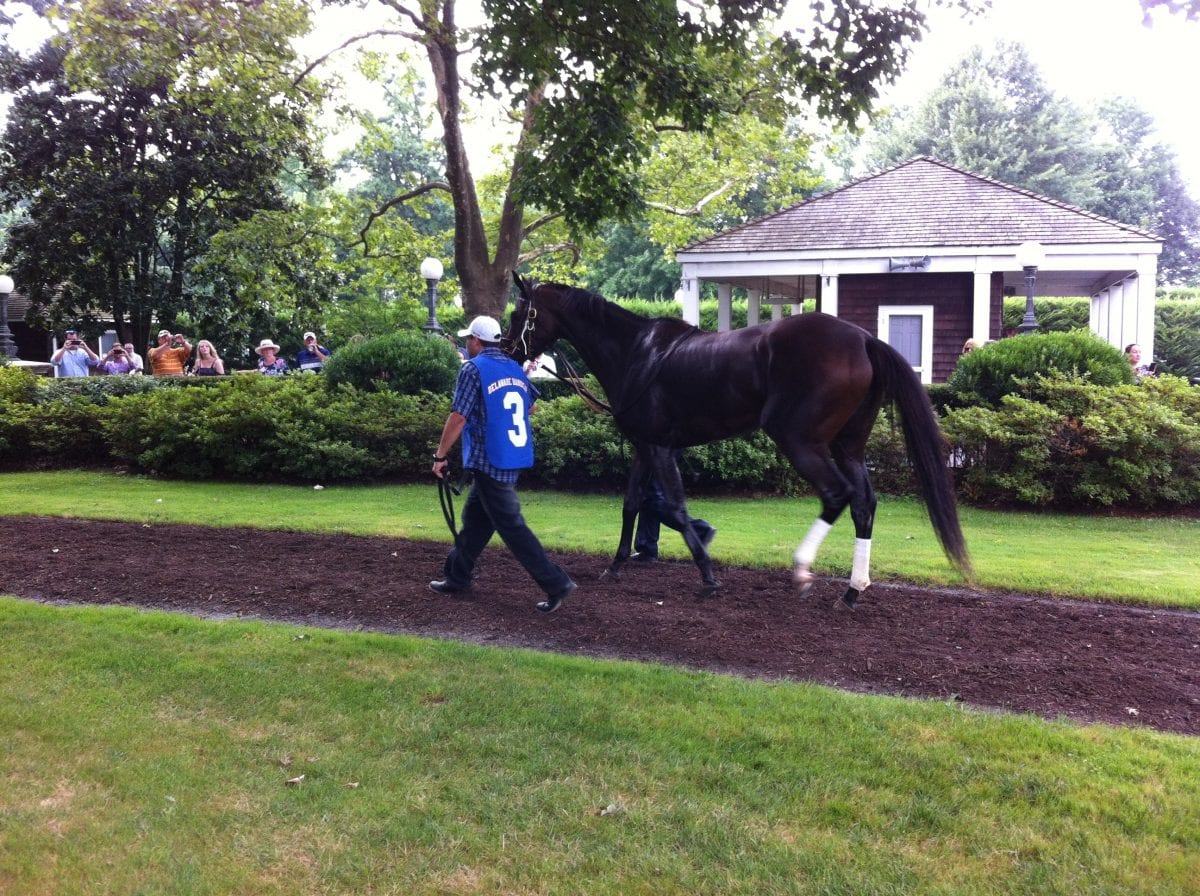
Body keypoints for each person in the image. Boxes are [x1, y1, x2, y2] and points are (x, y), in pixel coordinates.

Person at [430, 315, 577, 613]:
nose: (467, 343)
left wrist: (440, 455)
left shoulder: (472, 368)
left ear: (475, 341)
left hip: (489, 461)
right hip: (510, 457)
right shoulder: (512, 367)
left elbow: (459, 416)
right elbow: (531, 405)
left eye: (468, 339)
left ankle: (556, 583)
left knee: (512, 527)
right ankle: (456, 576)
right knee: (475, 521)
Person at [631, 454, 716, 562]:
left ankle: (699, 529)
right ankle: (647, 550)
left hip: (657, 450)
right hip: (663, 451)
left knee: (650, 498)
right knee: (648, 496)